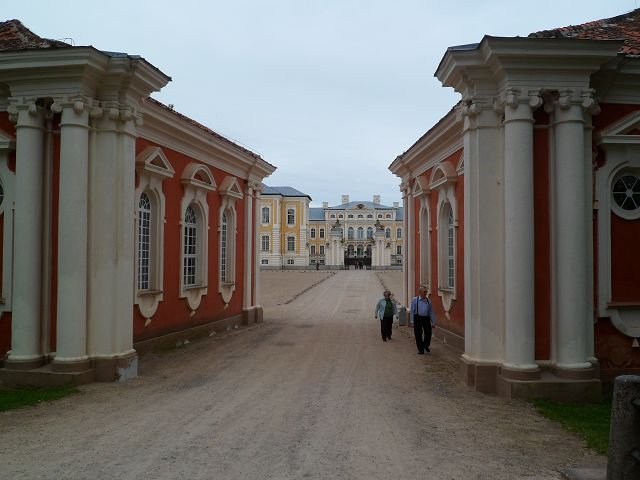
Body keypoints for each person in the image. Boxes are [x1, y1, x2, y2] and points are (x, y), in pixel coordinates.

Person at [410, 287, 436, 354]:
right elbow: (412, 311)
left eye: (426, 292)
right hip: (417, 318)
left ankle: (425, 345)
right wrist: (412, 322)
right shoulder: (415, 300)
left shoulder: (428, 300)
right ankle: (421, 349)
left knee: (428, 333)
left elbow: (431, 312)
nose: (425, 293)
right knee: (418, 334)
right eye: (424, 292)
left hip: (426, 318)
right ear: (420, 292)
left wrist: (433, 322)